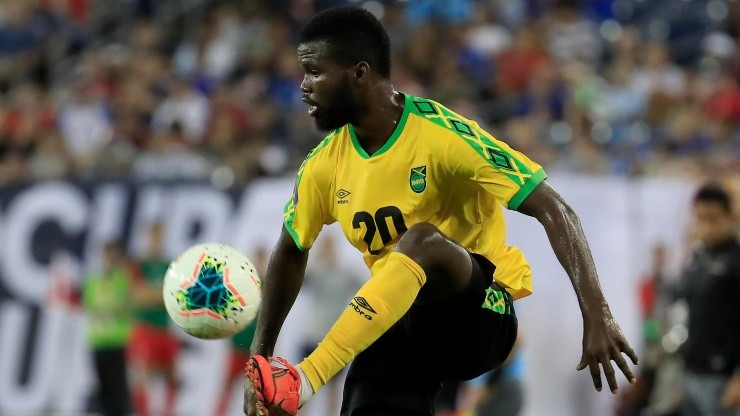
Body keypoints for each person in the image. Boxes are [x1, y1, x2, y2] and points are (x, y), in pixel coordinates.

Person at [244, 7, 637, 416]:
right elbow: (291, 250)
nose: (304, 87)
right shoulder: (322, 165)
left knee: (421, 241)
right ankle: (294, 382)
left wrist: (597, 314)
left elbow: (556, 209)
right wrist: (259, 362)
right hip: (402, 322)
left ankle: (306, 378)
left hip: (480, 315)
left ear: (359, 73)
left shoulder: (442, 135)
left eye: (314, 72)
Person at [675, 184, 740, 416]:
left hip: (723, 378)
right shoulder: (698, 258)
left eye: (713, 219)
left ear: (728, 217)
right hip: (692, 371)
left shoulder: (735, 261)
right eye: (701, 219)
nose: (706, 227)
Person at [128, 222, 180, 416]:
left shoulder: (171, 265)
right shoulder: (139, 265)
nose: (157, 242)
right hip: (144, 329)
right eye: (154, 237)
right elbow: (138, 295)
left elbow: (177, 296)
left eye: (160, 238)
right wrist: (162, 294)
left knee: (172, 378)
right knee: (142, 376)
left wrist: (155, 294)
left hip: (165, 330)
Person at [213, 246, 269, 416]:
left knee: (256, 393)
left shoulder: (268, 285)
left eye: (261, 259)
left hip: (256, 349)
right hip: (239, 345)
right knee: (227, 386)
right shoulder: (242, 283)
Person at [81, 241, 134, 416]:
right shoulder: (93, 281)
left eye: (112, 256)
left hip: (118, 341)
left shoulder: (123, 278)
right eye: (106, 256)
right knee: (103, 386)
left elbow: (124, 305)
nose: (109, 260)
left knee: (118, 387)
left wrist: (107, 310)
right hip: (98, 340)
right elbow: (91, 307)